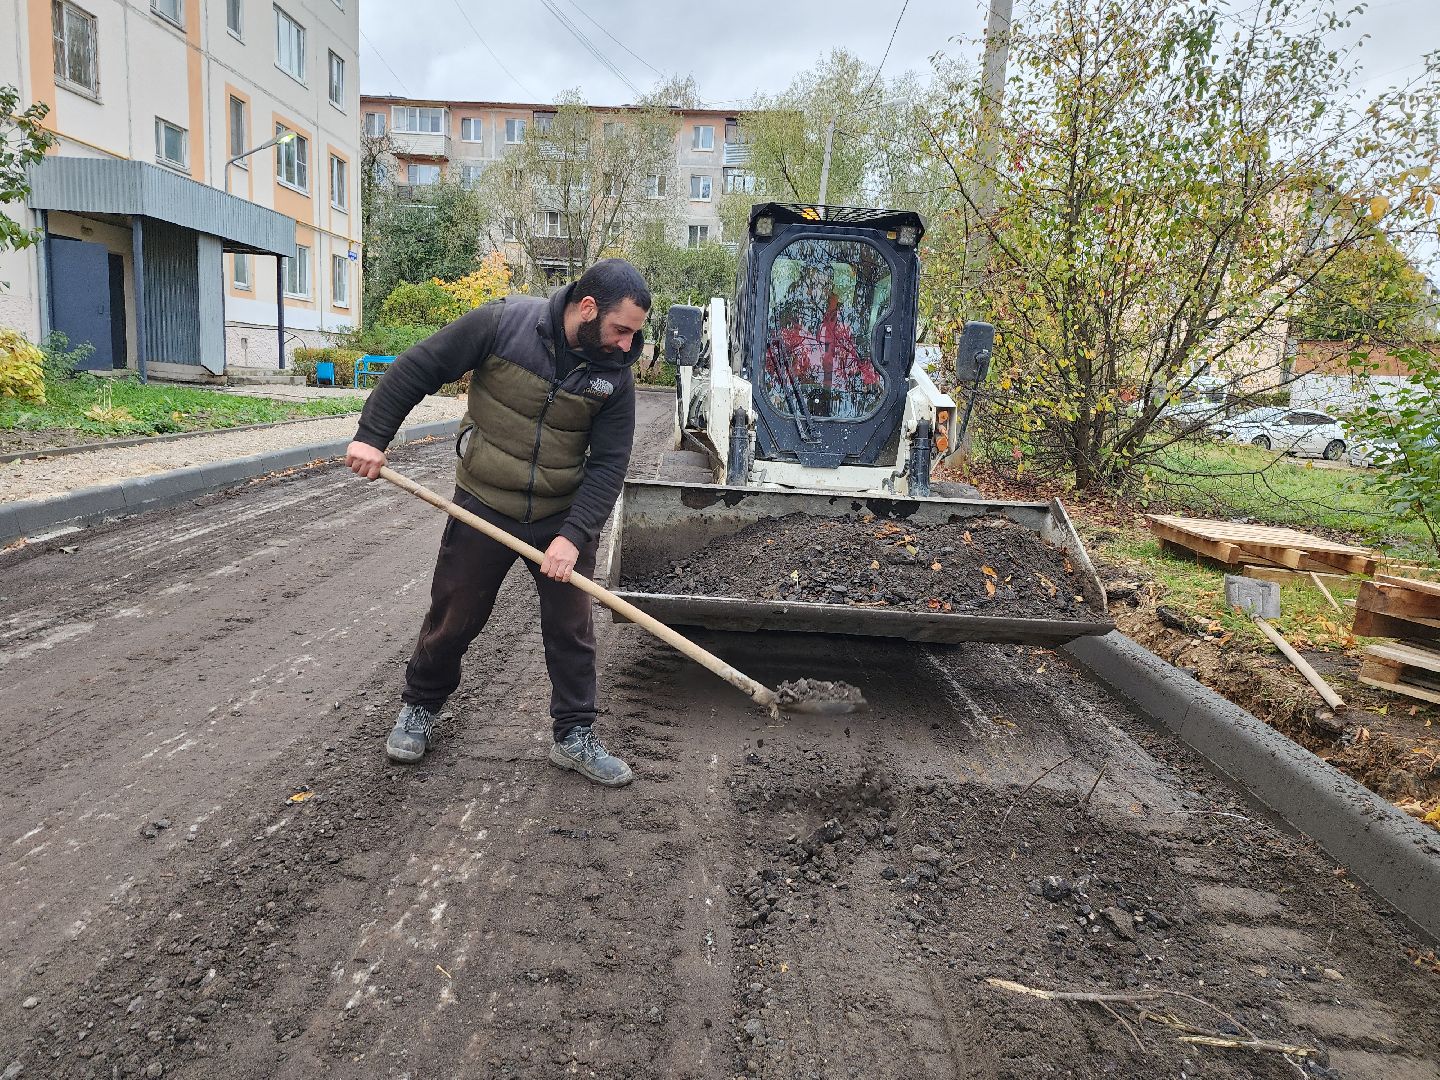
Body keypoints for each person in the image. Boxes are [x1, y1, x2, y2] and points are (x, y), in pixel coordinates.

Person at [344, 259, 651, 787]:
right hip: (484, 501)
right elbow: (419, 367)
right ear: (587, 308)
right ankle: (420, 706)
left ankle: (574, 734)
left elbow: (608, 465)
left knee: (572, 627)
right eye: (621, 329)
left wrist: (573, 537)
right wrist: (373, 436)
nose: (628, 345)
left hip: (560, 512)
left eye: (634, 333)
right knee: (454, 613)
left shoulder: (615, 375)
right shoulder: (502, 325)